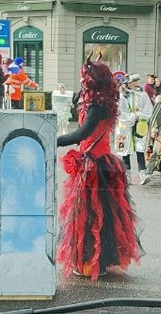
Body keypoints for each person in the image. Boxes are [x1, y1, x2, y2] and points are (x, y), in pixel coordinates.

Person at [56, 56, 141, 280]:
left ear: (92, 80)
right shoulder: (99, 101)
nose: (81, 80)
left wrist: (53, 140)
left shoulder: (97, 106)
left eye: (84, 76)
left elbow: (82, 133)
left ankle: (93, 262)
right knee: (97, 216)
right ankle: (95, 261)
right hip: (97, 162)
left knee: (93, 217)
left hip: (96, 166)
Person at [115, 73, 153, 183]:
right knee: (125, 150)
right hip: (124, 127)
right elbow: (119, 112)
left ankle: (142, 174)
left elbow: (148, 109)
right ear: (128, 83)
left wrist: (141, 116)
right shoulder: (122, 96)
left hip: (139, 126)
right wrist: (132, 117)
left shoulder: (142, 94)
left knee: (140, 148)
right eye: (134, 81)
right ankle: (127, 175)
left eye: (137, 81)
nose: (136, 83)